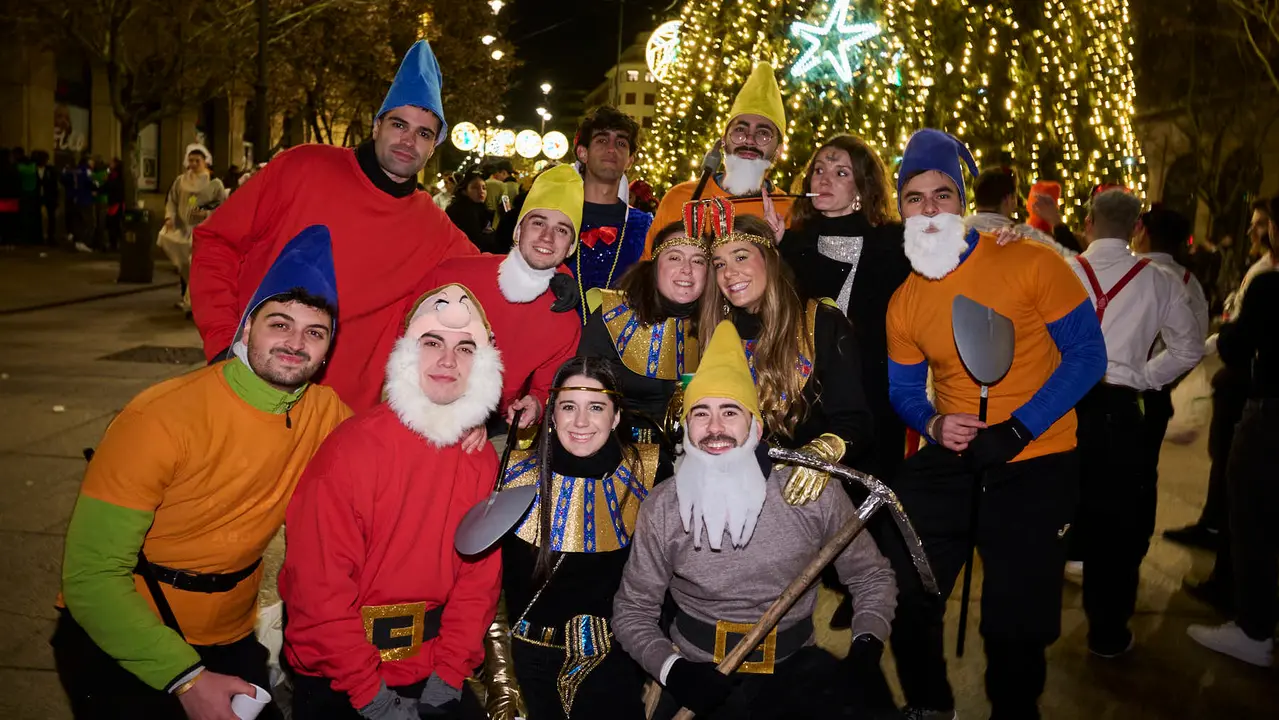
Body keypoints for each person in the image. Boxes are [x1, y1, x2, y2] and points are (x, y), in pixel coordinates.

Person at [53, 226, 350, 720]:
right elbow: (91, 578)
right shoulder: (160, 418)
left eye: (314, 332)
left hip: (232, 637)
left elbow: (390, 454)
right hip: (124, 636)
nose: (295, 343)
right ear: (246, 327)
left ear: (327, 349)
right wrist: (185, 679)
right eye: (280, 323)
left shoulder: (325, 412)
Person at [883, 129, 1106, 719]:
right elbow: (904, 390)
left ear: (962, 200)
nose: (929, 210)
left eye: (942, 195)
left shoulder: (1031, 261)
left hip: (1037, 459)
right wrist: (933, 425)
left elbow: (1089, 355)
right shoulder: (904, 299)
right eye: (914, 198)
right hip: (954, 458)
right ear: (901, 209)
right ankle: (931, 705)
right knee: (904, 592)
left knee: (1015, 628)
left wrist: (1018, 428)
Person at [611, 320, 897, 720]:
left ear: (756, 427)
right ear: (686, 428)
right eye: (700, 414)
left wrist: (867, 645)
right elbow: (632, 610)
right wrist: (672, 672)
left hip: (796, 672)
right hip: (696, 671)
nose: (714, 429)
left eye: (730, 412)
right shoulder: (662, 505)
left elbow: (871, 577)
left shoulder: (811, 493)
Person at [191, 40, 482, 413]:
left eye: (424, 133)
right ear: (377, 126)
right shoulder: (303, 168)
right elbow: (216, 241)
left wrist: (551, 277)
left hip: (341, 426)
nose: (409, 140)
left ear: (433, 147)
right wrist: (221, 342)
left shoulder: (436, 229)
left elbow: (493, 285)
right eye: (399, 124)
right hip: (250, 389)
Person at [281, 283, 504, 720]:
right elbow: (318, 587)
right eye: (432, 343)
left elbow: (478, 581)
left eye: (465, 348)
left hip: (435, 669)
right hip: (340, 674)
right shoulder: (351, 450)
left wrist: (450, 674)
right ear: (406, 353)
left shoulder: (478, 458)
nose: (447, 361)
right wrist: (371, 696)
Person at [1067, 189, 1204, 657]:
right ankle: (1107, 631)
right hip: (1120, 410)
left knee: (1053, 508)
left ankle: (1033, 626)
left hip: (1062, 408)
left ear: (1088, 222)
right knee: (1118, 523)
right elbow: (1189, 347)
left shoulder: (1062, 272)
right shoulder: (1161, 280)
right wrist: (1144, 377)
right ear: (1136, 229)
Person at [495, 357, 666, 720]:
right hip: (529, 666)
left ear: (616, 416)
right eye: (569, 407)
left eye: (597, 407)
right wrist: (500, 673)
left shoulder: (651, 473)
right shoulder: (513, 477)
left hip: (614, 665)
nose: (582, 422)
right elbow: (486, 585)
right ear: (552, 416)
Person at [700, 203, 874, 502]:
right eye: (719, 264)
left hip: (804, 497)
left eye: (741, 257)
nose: (729, 273)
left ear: (769, 259)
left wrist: (822, 452)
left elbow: (855, 421)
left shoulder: (821, 323)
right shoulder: (712, 330)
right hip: (727, 494)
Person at [421, 164, 585, 451]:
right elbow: (404, 343)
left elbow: (545, 389)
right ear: (518, 229)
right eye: (538, 223)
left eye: (561, 230)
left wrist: (533, 404)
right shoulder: (455, 276)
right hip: (422, 411)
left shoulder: (565, 320)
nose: (547, 237)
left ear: (570, 246)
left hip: (493, 431)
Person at [779, 134, 911, 485]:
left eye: (841, 173)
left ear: (862, 187)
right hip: (808, 399)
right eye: (819, 170)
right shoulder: (793, 243)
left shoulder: (894, 243)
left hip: (875, 396)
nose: (824, 178)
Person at [1186, 267, 1279, 668]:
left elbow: (1238, 345)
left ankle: (1253, 630)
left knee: (1251, 516)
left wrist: (1224, 335)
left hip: (1271, 414)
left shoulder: (1270, 286)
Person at [578, 218, 708, 447]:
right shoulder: (612, 316)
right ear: (655, 265)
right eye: (675, 257)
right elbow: (584, 397)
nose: (686, 269)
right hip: (620, 452)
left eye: (698, 261)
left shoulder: (721, 320)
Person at [644, 63, 794, 257]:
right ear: (723, 141)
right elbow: (648, 270)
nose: (749, 139)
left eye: (763, 134)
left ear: (779, 150)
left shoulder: (789, 210)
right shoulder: (680, 198)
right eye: (740, 130)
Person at [1132, 206, 1211, 472]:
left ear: (1143, 233)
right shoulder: (1189, 280)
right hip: (1157, 395)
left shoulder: (1130, 273)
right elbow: (1194, 346)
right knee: (1144, 474)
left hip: (1118, 392)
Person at [569, 106, 653, 315]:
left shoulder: (644, 225)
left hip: (619, 343)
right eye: (602, 140)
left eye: (621, 143)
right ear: (583, 152)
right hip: (559, 339)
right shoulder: (559, 217)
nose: (611, 149)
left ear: (630, 159)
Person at [164, 144, 227, 311]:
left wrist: (206, 214)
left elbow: (222, 206)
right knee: (185, 264)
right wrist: (170, 217)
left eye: (196, 160)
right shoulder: (181, 181)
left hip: (205, 230)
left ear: (205, 161)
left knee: (197, 265)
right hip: (183, 228)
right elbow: (172, 200)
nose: (192, 164)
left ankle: (194, 302)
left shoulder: (214, 183)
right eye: (190, 160)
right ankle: (186, 296)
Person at [965, 168, 1076, 257]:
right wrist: (1056, 222)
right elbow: (1074, 261)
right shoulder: (1027, 236)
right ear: (1008, 199)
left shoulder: (959, 230)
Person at [447, 172, 498, 252]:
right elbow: (476, 240)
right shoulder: (464, 210)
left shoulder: (479, 208)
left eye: (484, 188)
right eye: (475, 188)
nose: (481, 191)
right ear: (464, 191)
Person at [35, 150, 59, 247]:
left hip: (49, 196)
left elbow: (54, 184)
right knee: (38, 216)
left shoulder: (50, 170)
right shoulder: (34, 169)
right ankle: (39, 237)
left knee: (51, 218)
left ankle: (51, 237)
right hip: (37, 196)